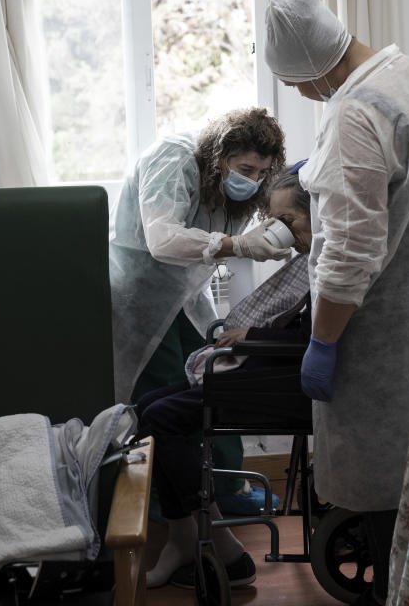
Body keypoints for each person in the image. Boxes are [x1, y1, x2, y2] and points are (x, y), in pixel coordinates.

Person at [264, 0, 409, 606]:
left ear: (310, 64)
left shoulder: (354, 114)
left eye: (294, 81)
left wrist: (321, 343)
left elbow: (349, 256)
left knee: (388, 507)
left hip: (379, 347)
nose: (299, 93)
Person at [133, 169, 313, 590]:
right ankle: (189, 538)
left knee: (160, 419)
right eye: (274, 220)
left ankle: (215, 540)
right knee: (146, 409)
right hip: (264, 370)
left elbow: (313, 338)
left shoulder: (330, 262)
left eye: (288, 221)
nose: (279, 231)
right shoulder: (313, 259)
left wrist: (252, 335)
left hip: (278, 383)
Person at [109, 108, 289, 508]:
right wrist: (237, 245)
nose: (252, 179)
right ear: (219, 156)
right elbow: (162, 239)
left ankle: (225, 489)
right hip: (143, 297)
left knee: (217, 373)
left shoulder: (246, 183)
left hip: (187, 295)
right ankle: (164, 505)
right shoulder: (173, 159)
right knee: (160, 398)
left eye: (262, 172)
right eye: (245, 168)